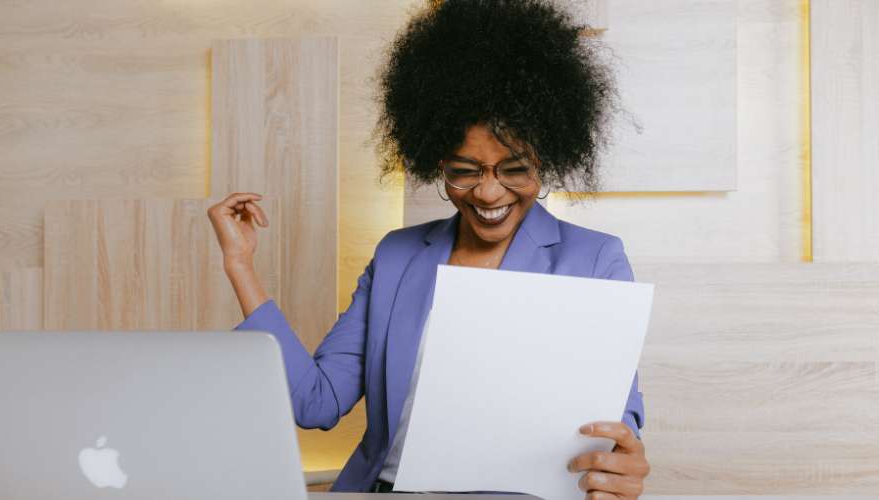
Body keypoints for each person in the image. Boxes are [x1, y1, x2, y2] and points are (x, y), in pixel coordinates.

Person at [207, 0, 650, 497]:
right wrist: (240, 265)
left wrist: (620, 462)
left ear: (545, 160)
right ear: (436, 162)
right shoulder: (397, 257)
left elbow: (617, 418)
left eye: (514, 168)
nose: (487, 192)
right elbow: (316, 403)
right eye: (465, 170)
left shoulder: (593, 260)